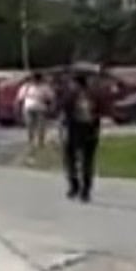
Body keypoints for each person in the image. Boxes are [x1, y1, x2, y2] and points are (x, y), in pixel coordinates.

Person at [59, 70, 103, 202]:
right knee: (87, 161)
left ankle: (74, 186)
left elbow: (62, 111)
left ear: (74, 83)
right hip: (90, 131)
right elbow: (100, 112)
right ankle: (86, 191)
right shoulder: (94, 95)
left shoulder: (70, 95)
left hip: (73, 130)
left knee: (70, 159)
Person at [16, 71, 52, 152]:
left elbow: (50, 98)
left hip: (41, 109)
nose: (35, 80)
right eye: (34, 79)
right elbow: (20, 98)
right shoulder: (26, 87)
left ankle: (40, 142)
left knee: (41, 126)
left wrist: (48, 105)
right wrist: (18, 108)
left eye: (37, 78)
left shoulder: (45, 87)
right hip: (28, 108)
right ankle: (31, 141)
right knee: (30, 126)